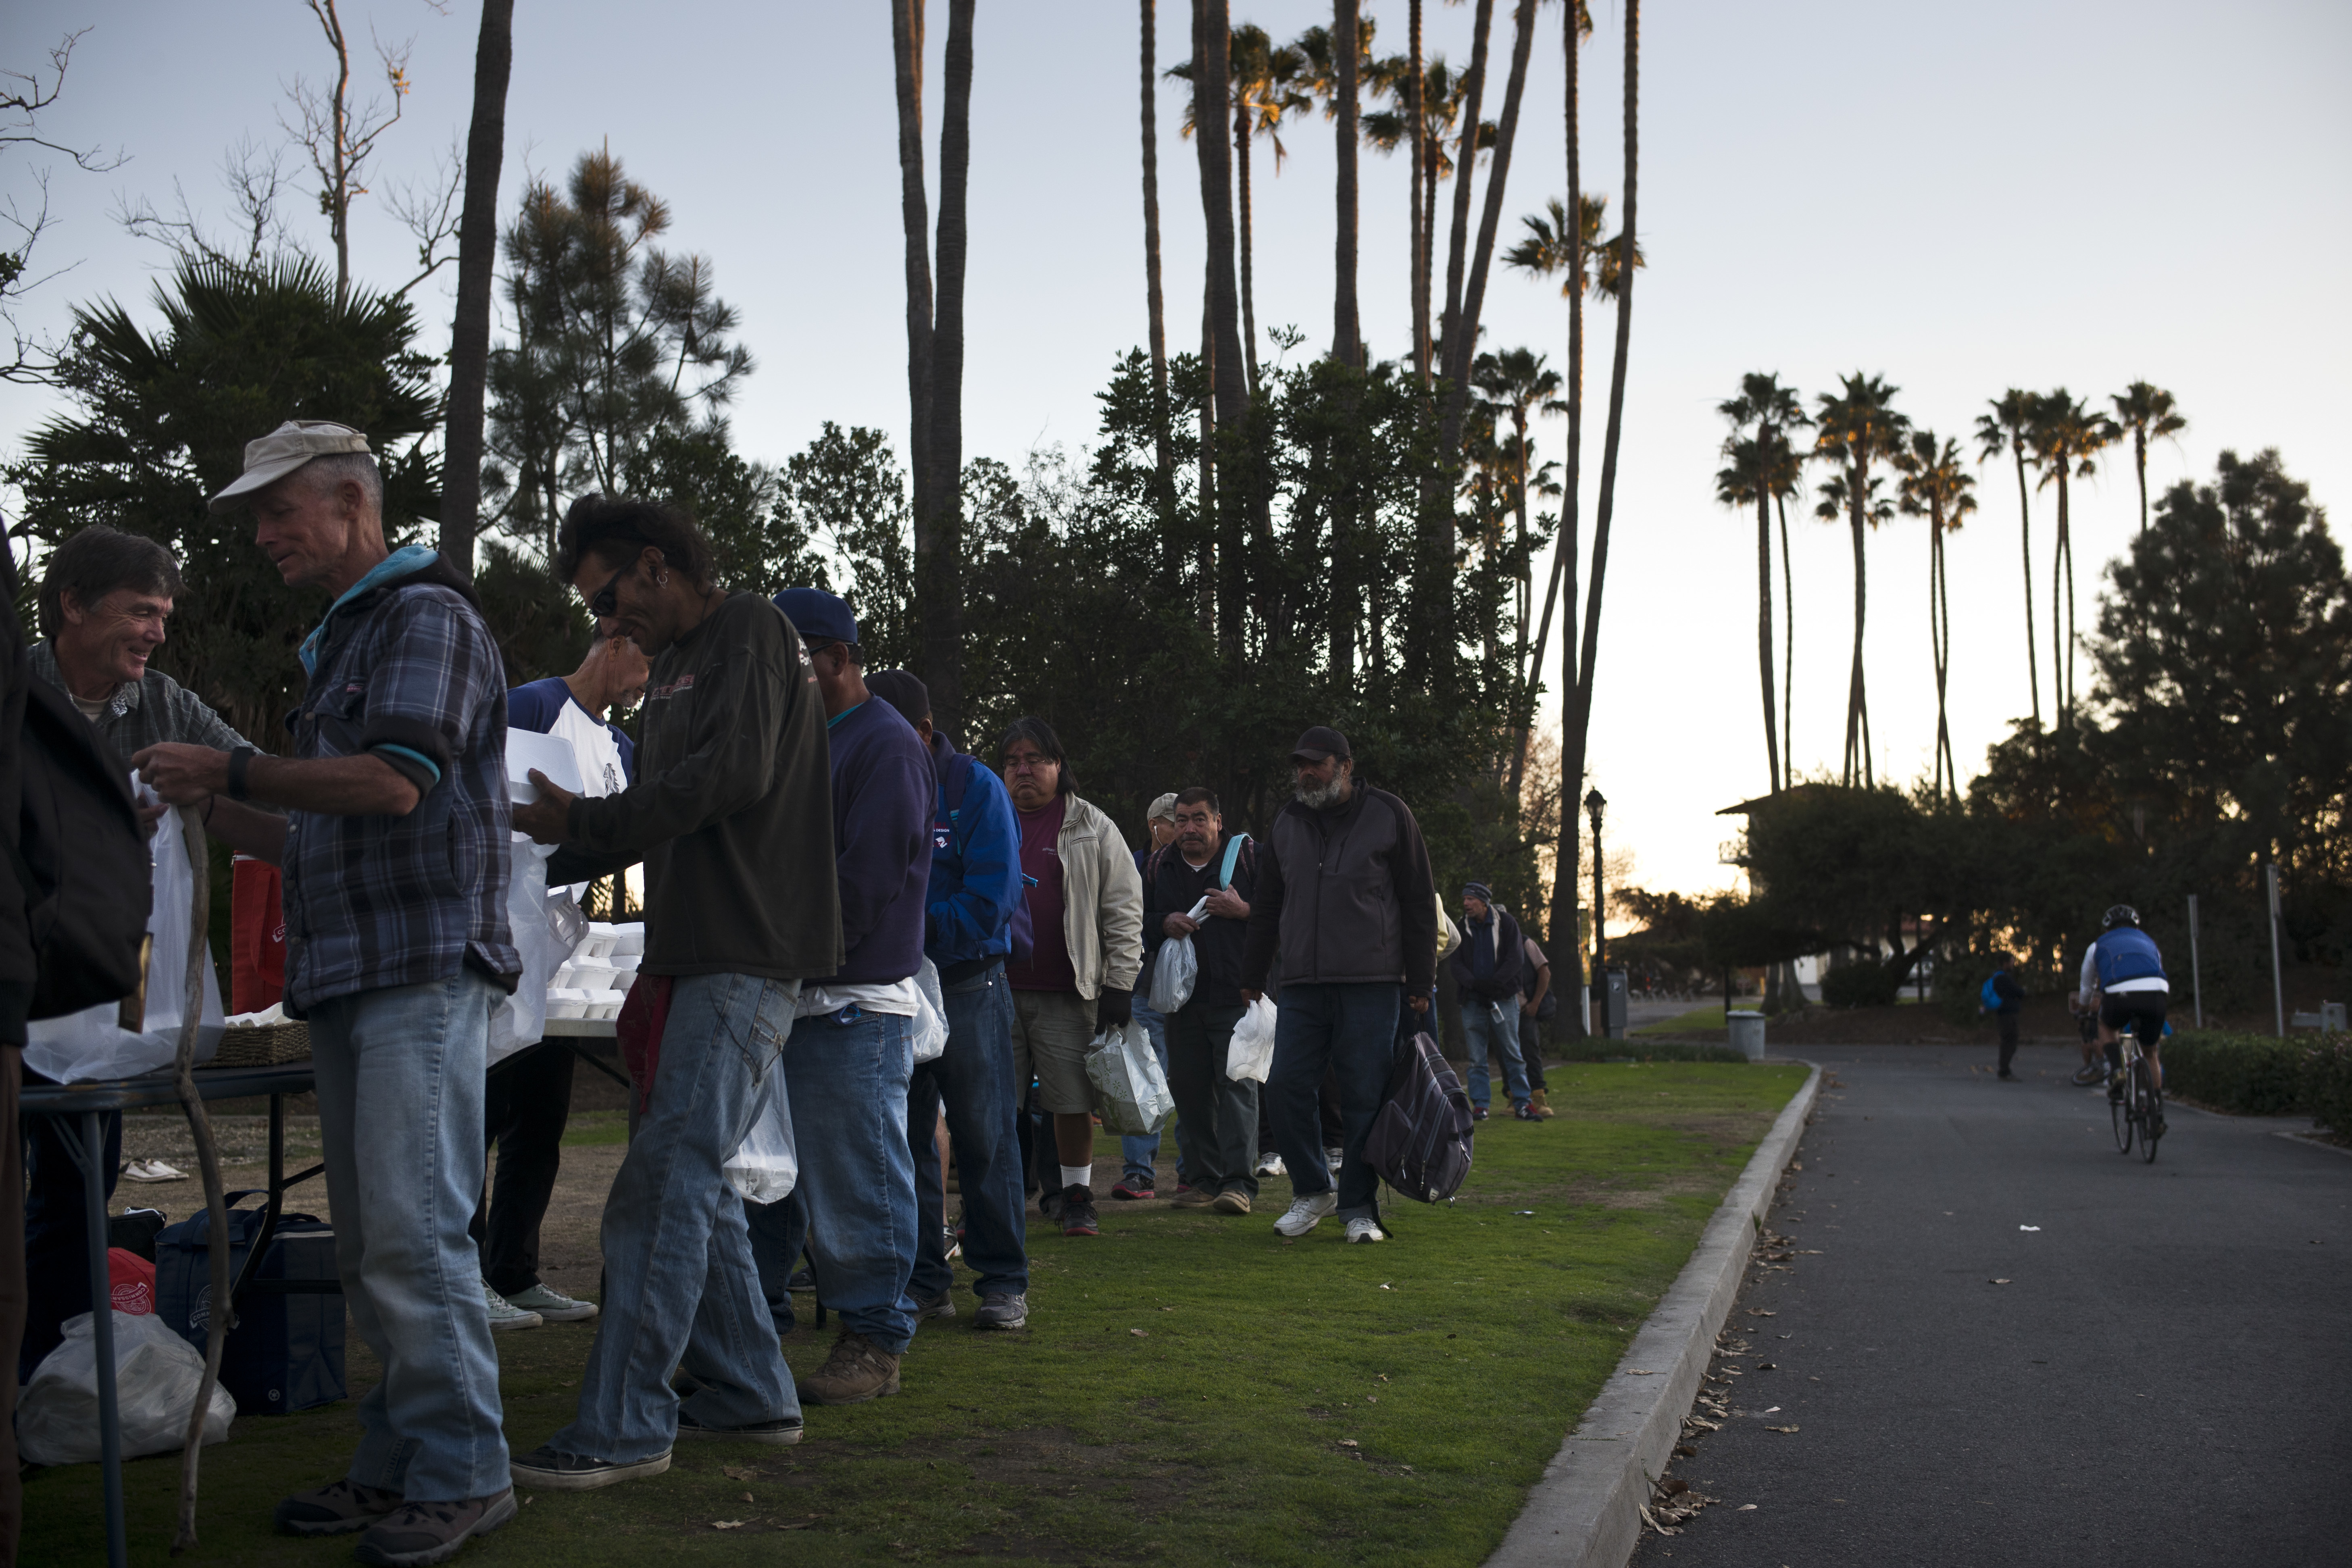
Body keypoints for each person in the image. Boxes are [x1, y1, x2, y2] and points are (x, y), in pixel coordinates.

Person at [135, 421, 523, 1561]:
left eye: (277, 512)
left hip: (418, 968)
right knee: (370, 1245)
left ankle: (467, 1470)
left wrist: (233, 767)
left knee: (413, 1234)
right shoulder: (349, 638)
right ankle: (399, 1459)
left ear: (354, 501)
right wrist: (208, 806)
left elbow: (394, 784)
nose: (261, 536)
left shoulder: (427, 618)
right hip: (354, 974)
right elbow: (311, 825)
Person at [504, 495, 841, 1492]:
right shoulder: (679, 670)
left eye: (610, 599)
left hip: (750, 951)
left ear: (655, 564)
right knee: (693, 1182)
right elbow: (664, 825)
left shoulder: (750, 632)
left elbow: (727, 780)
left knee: (661, 1181)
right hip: (692, 953)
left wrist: (591, 818)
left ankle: (624, 1423)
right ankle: (749, 1389)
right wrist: (553, 853)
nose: (609, 626)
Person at [20, 527, 287, 1382]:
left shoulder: (166, 705)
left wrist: (216, 791)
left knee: (78, 1183)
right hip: (15, 979)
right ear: (71, 606)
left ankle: (53, 1374)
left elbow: (250, 788)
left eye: (164, 615)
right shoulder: (14, 689)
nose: (156, 632)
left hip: (104, 996)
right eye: (140, 611)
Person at [740, 588, 931, 1405]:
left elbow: (868, 881)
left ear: (837, 660)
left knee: (855, 1178)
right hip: (793, 989)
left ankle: (873, 1340)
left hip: (850, 997)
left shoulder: (884, 746)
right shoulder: (798, 744)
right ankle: (753, 1333)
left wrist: (788, 949)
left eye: (791, 668)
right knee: (768, 1178)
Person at [467, 629, 650, 1333]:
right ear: (612, 643)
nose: (643, 682)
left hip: (581, 958)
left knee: (541, 1120)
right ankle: (467, 1270)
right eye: (643, 664)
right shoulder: (532, 707)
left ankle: (514, 1270)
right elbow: (496, 818)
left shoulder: (623, 747)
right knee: (483, 1108)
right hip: (511, 945)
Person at [865, 669, 1030, 1332]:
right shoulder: (867, 780)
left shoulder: (973, 787)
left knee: (983, 1134)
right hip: (892, 987)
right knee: (902, 1140)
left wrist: (908, 924)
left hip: (967, 984)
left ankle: (1003, 1280)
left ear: (924, 731)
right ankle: (925, 1277)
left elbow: (993, 896)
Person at [1242, 727, 1437, 1245]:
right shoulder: (1286, 821)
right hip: (1301, 983)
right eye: (1300, 765)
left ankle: (1359, 1206)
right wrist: (1252, 974)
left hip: (1372, 983)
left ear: (1345, 766)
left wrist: (1421, 979)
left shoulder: (1390, 814)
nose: (1305, 772)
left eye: (1316, 764)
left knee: (1364, 1097)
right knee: (1283, 1086)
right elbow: (1265, 906)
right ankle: (1313, 1190)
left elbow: (1419, 899)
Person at [998, 717, 1144, 1239]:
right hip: (995, 989)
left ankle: (1077, 1195)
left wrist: (1120, 986)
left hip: (1069, 990)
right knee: (996, 1102)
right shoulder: (988, 817)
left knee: (1071, 1101)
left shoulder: (1093, 827)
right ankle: (994, 1200)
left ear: (1059, 766)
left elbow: (1123, 912)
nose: (1023, 770)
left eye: (1035, 759)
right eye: (1013, 761)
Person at [1141, 789, 1262, 1212]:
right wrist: (1163, 923)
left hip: (1237, 994)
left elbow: (1283, 910)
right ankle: (1204, 1180)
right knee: (1189, 1093)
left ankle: (1239, 1185)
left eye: (1198, 818)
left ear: (1218, 820)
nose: (1189, 828)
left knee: (1237, 1089)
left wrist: (1244, 909)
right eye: (1182, 820)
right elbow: (1137, 919)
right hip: (1182, 1002)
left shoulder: (1249, 857)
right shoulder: (1160, 865)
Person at [1117, 793, 1192, 1201]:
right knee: (1143, 1079)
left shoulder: (1197, 863)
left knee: (1189, 1081)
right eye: (1174, 821)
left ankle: (1189, 1171)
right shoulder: (1133, 863)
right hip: (1145, 988)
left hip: (1191, 991)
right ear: (1154, 825)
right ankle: (1138, 1172)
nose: (1182, 830)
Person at [1450, 883, 1535, 1122]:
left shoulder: (1507, 923)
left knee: (1512, 1053)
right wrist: (1476, 985)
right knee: (1477, 1058)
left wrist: (1495, 985)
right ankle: (1480, 1106)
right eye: (1464, 899)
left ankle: (1523, 1103)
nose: (1466, 904)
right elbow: (1455, 964)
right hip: (1472, 1001)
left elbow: (1515, 958)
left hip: (1504, 1000)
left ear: (1484, 902)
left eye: (1471, 899)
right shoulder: (1461, 927)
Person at [2081, 907, 2168, 1101]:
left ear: (2107, 929)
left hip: (2119, 995)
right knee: (2150, 1052)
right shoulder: (2150, 943)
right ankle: (2157, 1110)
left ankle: (2118, 1070)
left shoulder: (2097, 945)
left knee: (2105, 1027)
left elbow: (2087, 987)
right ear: (2136, 928)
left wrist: (2084, 1007)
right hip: (2156, 994)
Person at [1517, 933, 1557, 1117]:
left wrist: (1535, 1003)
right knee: (1507, 1055)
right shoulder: (1490, 942)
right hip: (1504, 1007)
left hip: (1525, 1008)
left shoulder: (1525, 943)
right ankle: (1514, 1098)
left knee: (1530, 1051)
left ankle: (1538, 1097)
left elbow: (1544, 972)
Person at [1978, 952, 2025, 1080]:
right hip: (2007, 1015)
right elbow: (2019, 992)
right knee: (2010, 1040)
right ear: (2005, 963)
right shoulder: (2003, 978)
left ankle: (2004, 1069)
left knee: (2008, 1040)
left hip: (2003, 1014)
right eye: (2011, 961)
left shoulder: (1997, 976)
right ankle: (2004, 1070)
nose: (2013, 964)